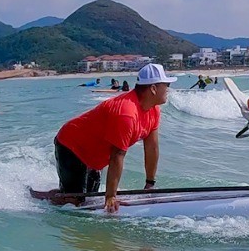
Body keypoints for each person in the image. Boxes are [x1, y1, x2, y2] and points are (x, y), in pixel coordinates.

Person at [52, 62, 171, 212]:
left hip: (94, 155)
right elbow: (117, 156)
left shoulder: (154, 110)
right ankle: (42, 200)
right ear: (153, 89)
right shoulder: (127, 113)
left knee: (89, 199)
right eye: (166, 85)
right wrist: (111, 197)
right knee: (74, 202)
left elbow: (152, 147)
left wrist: (150, 183)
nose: (168, 89)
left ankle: (61, 192)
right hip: (72, 145)